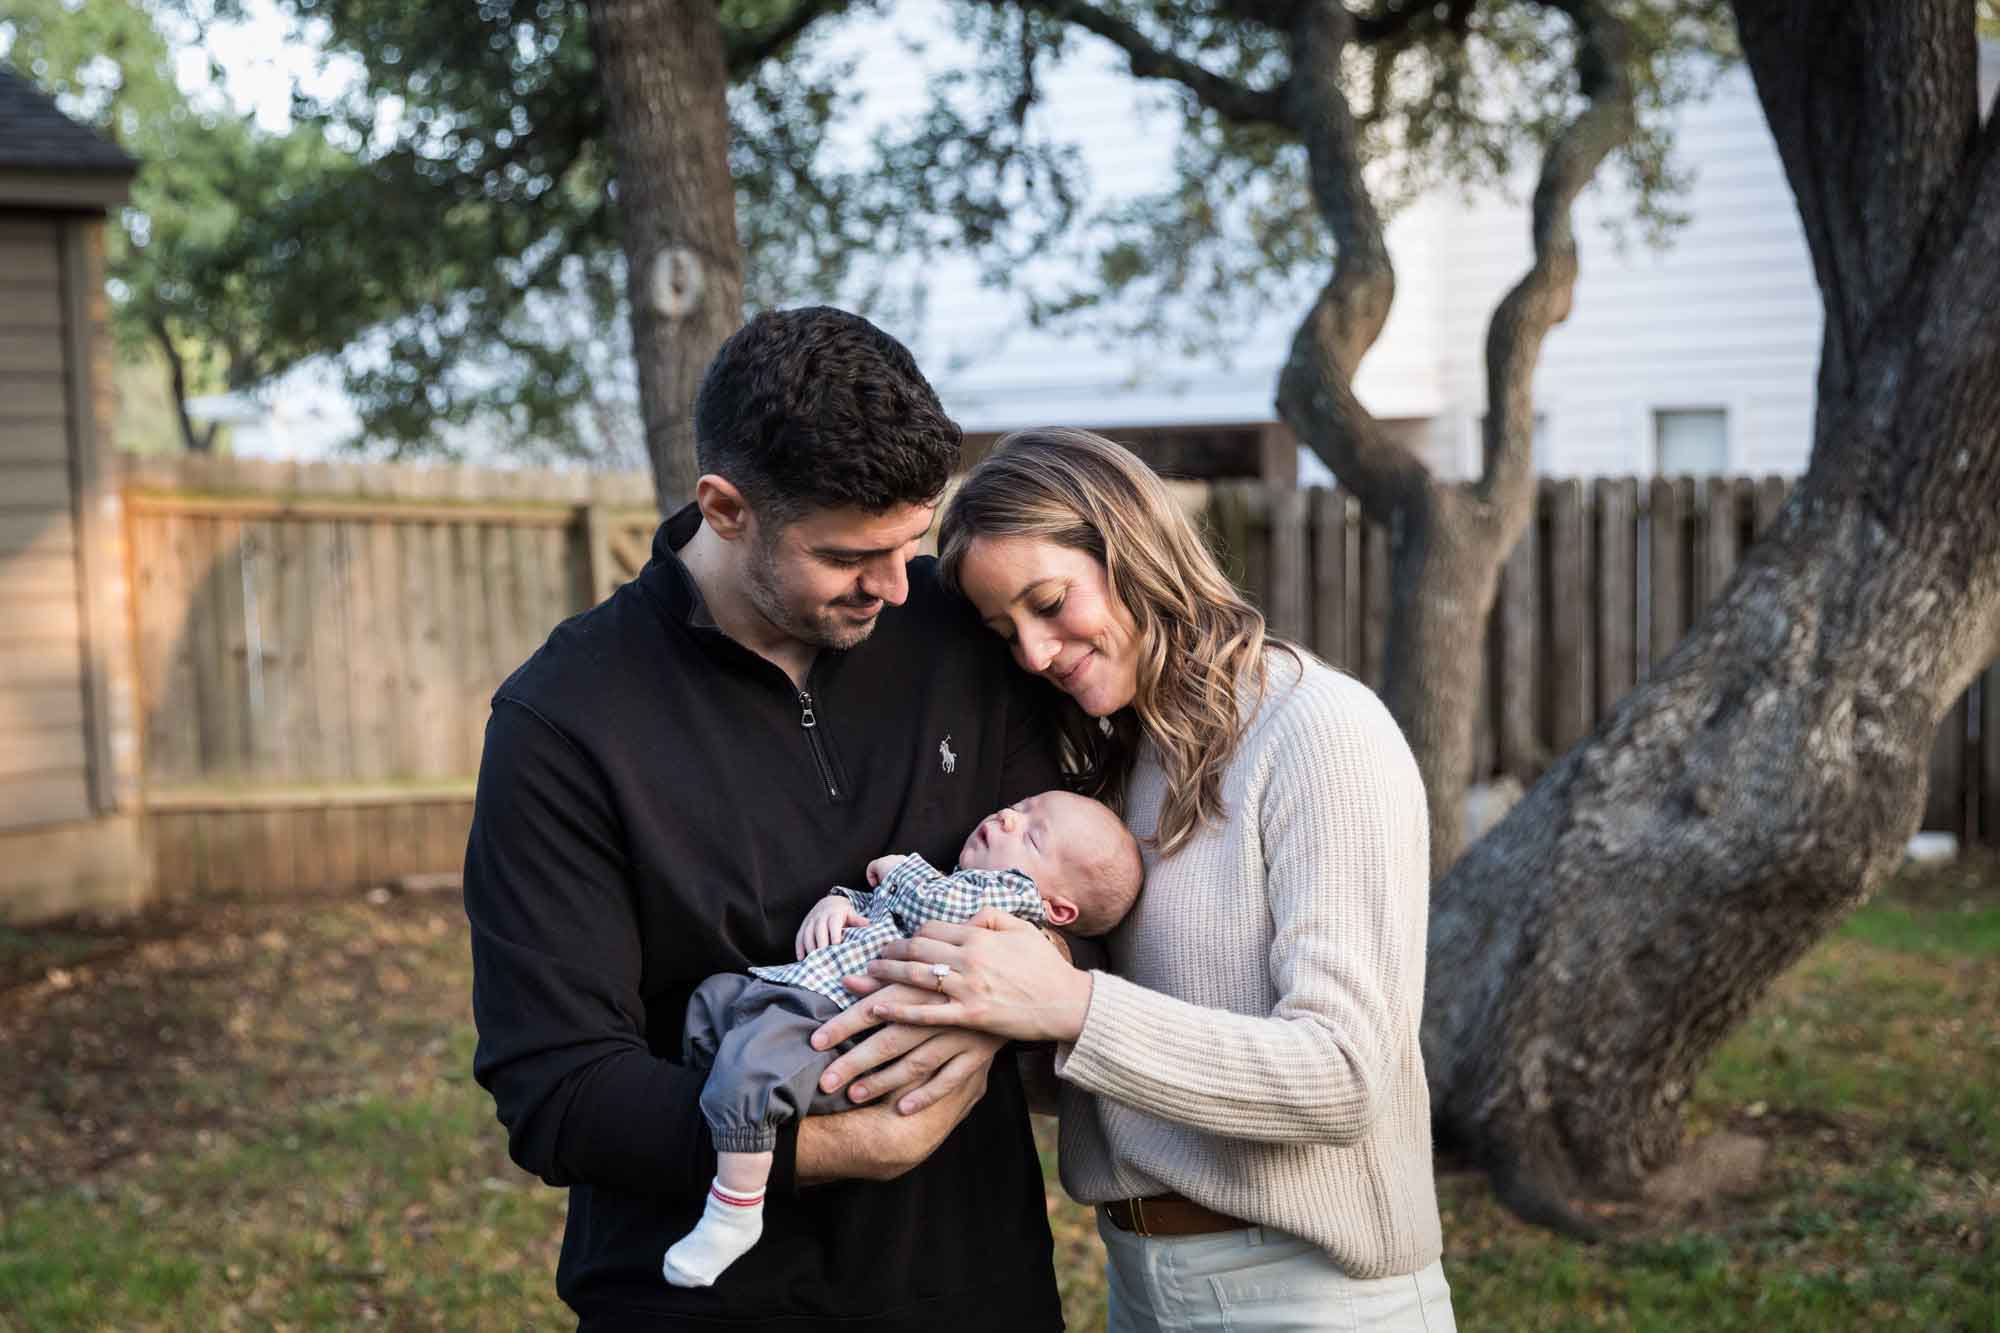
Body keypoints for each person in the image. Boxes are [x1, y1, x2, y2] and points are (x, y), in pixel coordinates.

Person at [462, 308, 1071, 1332]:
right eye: (849, 556)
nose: (894, 584)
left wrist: (975, 1039)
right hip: (706, 1303)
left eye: (910, 542)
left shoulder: (956, 639)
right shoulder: (564, 722)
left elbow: (1060, 890)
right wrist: (843, 1146)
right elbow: (556, 1087)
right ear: (726, 507)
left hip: (974, 1285)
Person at [817, 427, 1458, 1332]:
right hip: (1145, 1281)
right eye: (1008, 632)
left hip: (1308, 1293)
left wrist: (1071, 1004)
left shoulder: (1319, 732)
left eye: (1049, 602)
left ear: (1132, 546)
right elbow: (1114, 1072)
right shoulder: (1115, 769)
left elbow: (1346, 1075)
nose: (1034, 653)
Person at [663, 789, 1143, 1287]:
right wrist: (838, 903)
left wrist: (900, 868)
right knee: (715, 1000)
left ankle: (734, 1208)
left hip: (842, 1024)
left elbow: (936, 906)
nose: (1006, 818)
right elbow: (880, 906)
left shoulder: (1009, 909)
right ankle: (724, 1099)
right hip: (802, 993)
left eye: (1033, 836)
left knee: (753, 1071)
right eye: (1021, 809)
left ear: (1057, 911)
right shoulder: (953, 881)